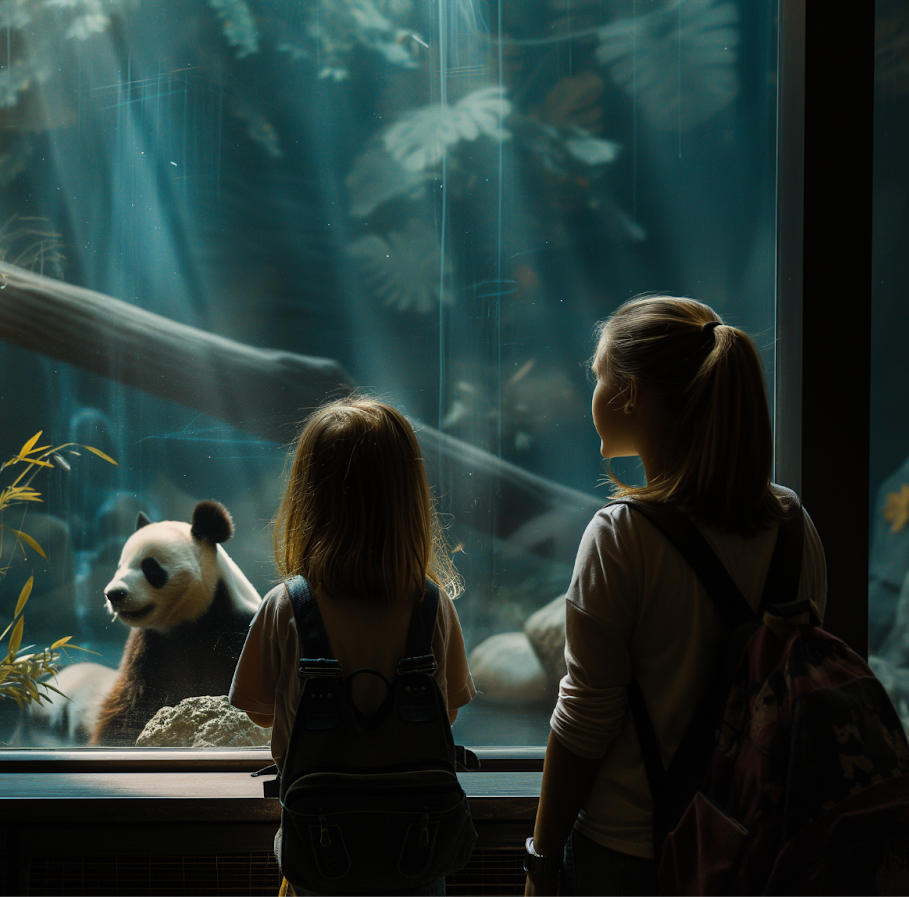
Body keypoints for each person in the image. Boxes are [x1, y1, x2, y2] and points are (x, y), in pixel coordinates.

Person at [523, 296, 827, 897]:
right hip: (760, 848)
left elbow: (585, 721)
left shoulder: (620, 536)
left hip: (632, 853)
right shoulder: (795, 527)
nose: (595, 393)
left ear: (630, 394)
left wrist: (542, 856)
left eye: (600, 376)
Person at [230, 394, 476, 897]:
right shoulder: (433, 606)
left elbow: (258, 711)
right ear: (409, 500)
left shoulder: (284, 607)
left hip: (322, 853)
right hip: (417, 854)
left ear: (307, 498)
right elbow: (444, 712)